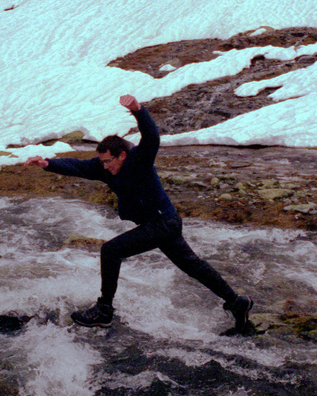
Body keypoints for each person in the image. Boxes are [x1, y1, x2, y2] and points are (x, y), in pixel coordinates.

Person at [24, 94, 253, 335]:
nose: (104, 166)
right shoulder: (106, 168)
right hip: (160, 224)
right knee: (192, 266)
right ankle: (237, 303)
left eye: (107, 161)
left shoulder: (139, 160)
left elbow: (152, 136)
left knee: (111, 251)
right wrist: (47, 163)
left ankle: (104, 311)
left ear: (122, 155)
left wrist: (138, 110)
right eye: (101, 162)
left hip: (163, 222)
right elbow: (78, 166)